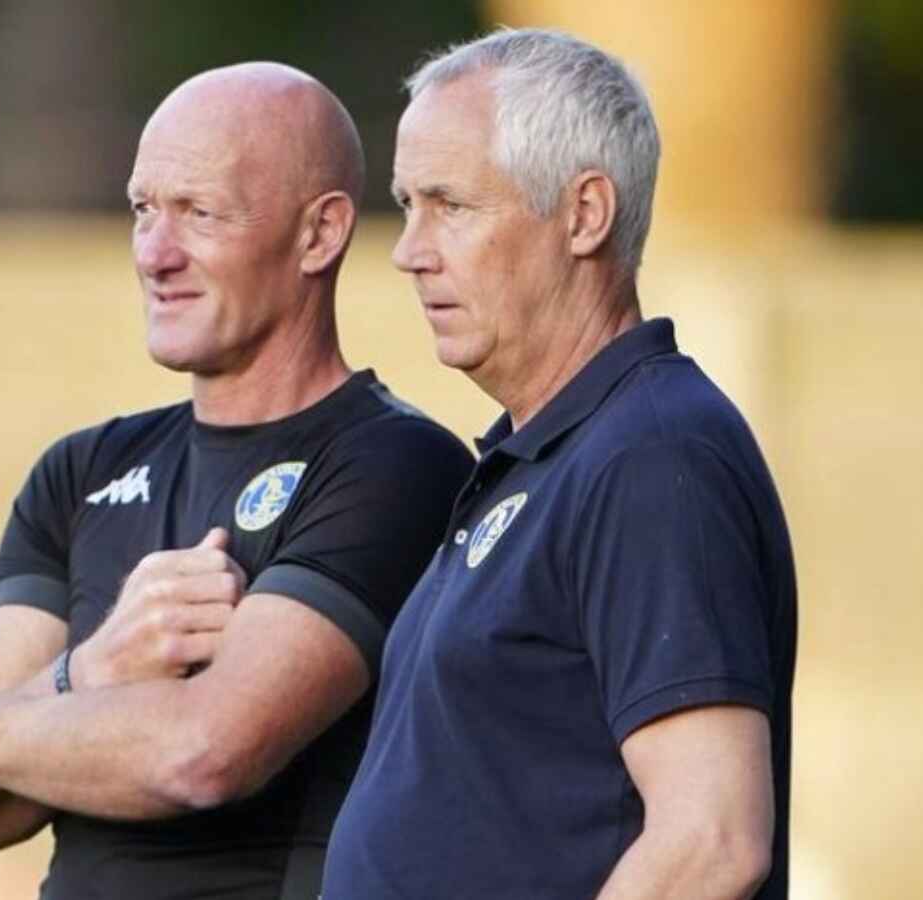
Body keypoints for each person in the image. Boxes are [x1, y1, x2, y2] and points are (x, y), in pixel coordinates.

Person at [0, 62, 473, 900]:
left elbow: (205, 752)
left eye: (199, 212)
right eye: (143, 209)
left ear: (319, 234)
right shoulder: (81, 473)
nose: (155, 252)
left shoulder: (395, 464)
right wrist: (94, 669)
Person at [321, 29, 798, 900]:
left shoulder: (652, 454)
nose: (409, 248)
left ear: (584, 214)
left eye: (450, 205)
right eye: (406, 202)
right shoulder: (551, 455)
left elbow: (712, 840)